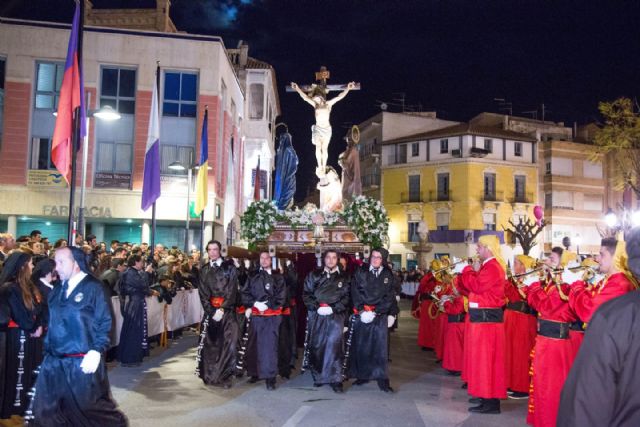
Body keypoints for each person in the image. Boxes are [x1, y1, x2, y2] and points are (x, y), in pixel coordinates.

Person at [31, 246, 126, 426]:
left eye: (61, 262)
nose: (56, 267)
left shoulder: (94, 287)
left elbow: (105, 322)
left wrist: (97, 350)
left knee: (92, 411)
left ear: (75, 263)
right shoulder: (57, 289)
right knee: (46, 413)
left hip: (81, 363)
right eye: (55, 262)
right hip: (54, 362)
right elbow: (50, 317)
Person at [557, 228, 640, 427]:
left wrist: (576, 285)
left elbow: (590, 393)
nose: (597, 259)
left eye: (602, 255)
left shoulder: (619, 290)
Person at [522, 250, 578, 427]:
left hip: (555, 344)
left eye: (551, 259)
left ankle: (550, 421)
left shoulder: (564, 286)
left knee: (551, 387)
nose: (546, 262)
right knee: (542, 385)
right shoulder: (553, 284)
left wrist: (534, 286)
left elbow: (544, 306)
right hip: (547, 340)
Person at [454, 235, 507, 414]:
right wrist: (465, 275)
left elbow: (476, 286)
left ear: (488, 248)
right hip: (481, 321)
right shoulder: (488, 267)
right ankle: (484, 396)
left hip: (487, 323)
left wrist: (468, 270)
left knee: (487, 363)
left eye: (479, 247)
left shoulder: (492, 267)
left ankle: (491, 402)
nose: (477, 250)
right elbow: (470, 289)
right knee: (481, 362)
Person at [0, 252, 43, 422]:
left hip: (24, 334)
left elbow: (34, 311)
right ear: (22, 266)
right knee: (17, 372)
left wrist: (37, 322)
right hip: (16, 336)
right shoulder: (10, 288)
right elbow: (22, 317)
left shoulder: (22, 287)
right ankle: (14, 406)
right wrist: (34, 325)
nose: (33, 267)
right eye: (31, 263)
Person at [347, 247, 398, 392]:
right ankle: (362, 375)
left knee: (381, 350)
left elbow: (389, 296)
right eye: (373, 256)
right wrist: (362, 311)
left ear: (383, 260)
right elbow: (355, 292)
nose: (375, 259)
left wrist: (386, 313)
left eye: (379, 257)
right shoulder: (360, 272)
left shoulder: (388, 274)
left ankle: (382, 379)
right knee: (362, 347)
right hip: (363, 315)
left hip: (379, 316)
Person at [302, 250, 350, 393]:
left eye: (334, 257)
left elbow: (347, 297)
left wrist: (333, 308)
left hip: (336, 316)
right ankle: (320, 377)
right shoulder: (314, 275)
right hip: (317, 315)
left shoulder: (344, 277)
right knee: (318, 345)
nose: (331, 260)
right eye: (328, 257)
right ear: (324, 259)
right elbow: (306, 294)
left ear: (337, 260)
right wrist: (317, 307)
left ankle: (336, 379)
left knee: (335, 346)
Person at [290, 80, 356, 179]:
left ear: (320, 98)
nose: (315, 100)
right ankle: (320, 166)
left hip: (326, 130)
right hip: (318, 129)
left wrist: (348, 88)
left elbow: (339, 97)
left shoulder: (328, 104)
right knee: (318, 148)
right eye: (314, 99)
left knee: (324, 148)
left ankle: (324, 165)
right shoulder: (315, 105)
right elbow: (305, 98)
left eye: (316, 98)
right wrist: (297, 89)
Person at [196, 240, 240, 388]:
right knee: (211, 345)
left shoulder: (229, 268)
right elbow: (203, 293)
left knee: (228, 345)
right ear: (207, 251)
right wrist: (211, 311)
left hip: (227, 312)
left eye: (215, 249)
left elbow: (232, 290)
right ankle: (210, 375)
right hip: (211, 314)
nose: (213, 252)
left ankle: (225, 376)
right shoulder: (204, 270)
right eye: (210, 250)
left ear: (220, 251)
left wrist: (222, 309)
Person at [242, 251, 286, 390]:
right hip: (256, 316)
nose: (265, 260)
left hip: (271, 317)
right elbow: (244, 292)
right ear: (259, 259)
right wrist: (254, 304)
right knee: (253, 345)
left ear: (271, 260)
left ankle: (270, 377)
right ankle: (254, 373)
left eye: (267, 258)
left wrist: (267, 305)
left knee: (269, 348)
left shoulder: (278, 277)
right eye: (262, 257)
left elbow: (281, 296)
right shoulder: (252, 275)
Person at [568, 238, 636, 324]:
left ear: (615, 257)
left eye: (602, 255)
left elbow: (589, 313)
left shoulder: (619, 284)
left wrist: (577, 287)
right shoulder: (609, 280)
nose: (597, 259)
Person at [503, 255, 538, 400]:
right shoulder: (517, 280)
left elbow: (522, 297)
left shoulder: (530, 281)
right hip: (512, 319)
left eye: (517, 263)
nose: (514, 266)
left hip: (523, 320)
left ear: (524, 266)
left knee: (521, 353)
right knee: (510, 352)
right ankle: (511, 383)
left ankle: (522, 387)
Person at [118, 254, 156, 367]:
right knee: (133, 330)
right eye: (141, 262)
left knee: (136, 329)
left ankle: (134, 356)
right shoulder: (130, 273)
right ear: (136, 262)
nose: (143, 264)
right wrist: (147, 273)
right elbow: (142, 285)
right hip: (134, 304)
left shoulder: (132, 272)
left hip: (136, 303)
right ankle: (130, 358)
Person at [279, 260, 298, 378]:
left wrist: (289, 268)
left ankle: (288, 363)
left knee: (287, 339)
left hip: (287, 311)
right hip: (273, 313)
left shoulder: (289, 274)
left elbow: (293, 282)